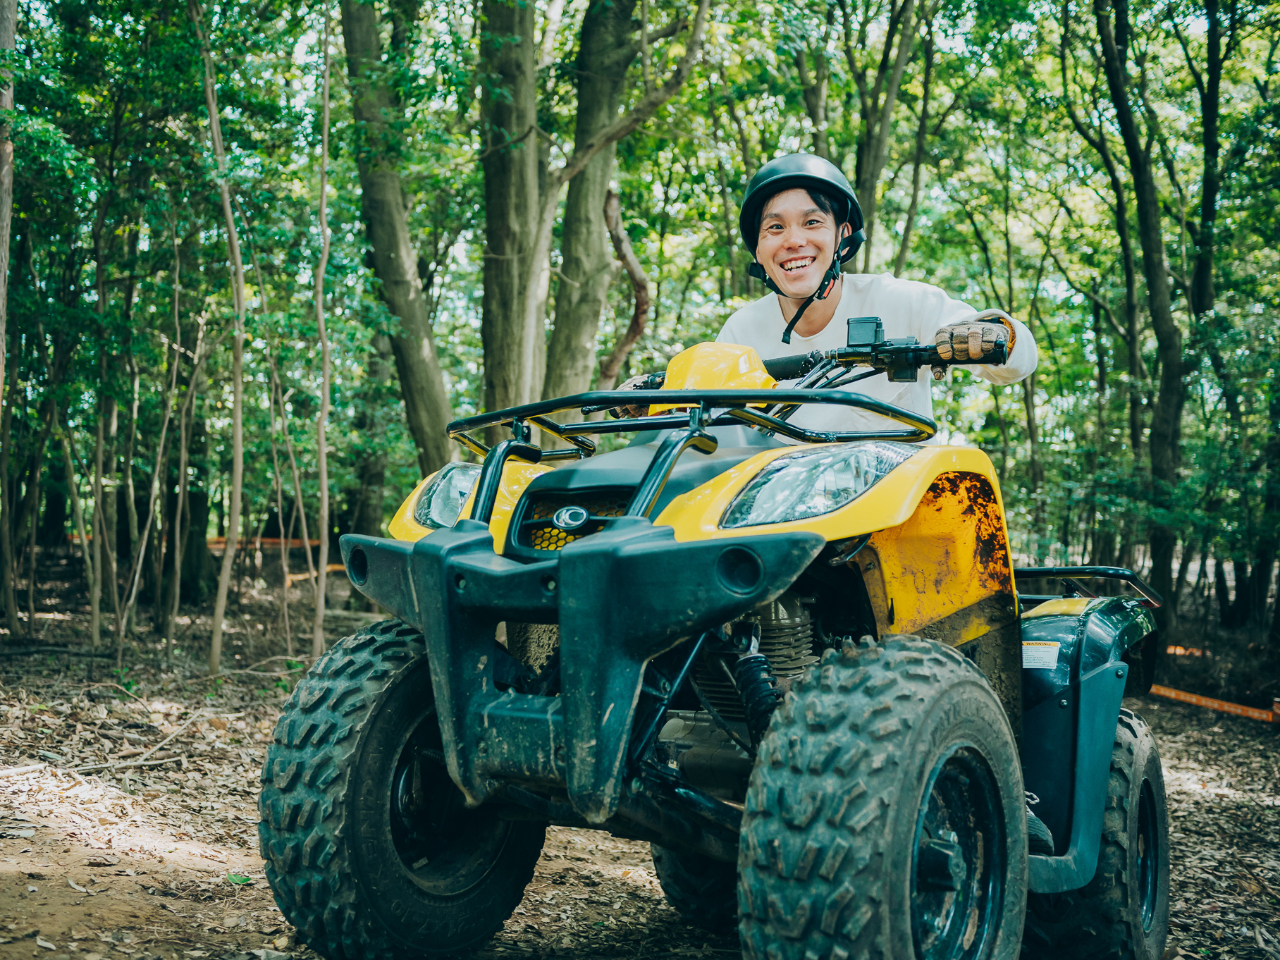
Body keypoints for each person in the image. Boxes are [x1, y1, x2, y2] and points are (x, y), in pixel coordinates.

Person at [616, 153, 1039, 435]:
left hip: (896, 509)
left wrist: (993, 333)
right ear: (759, 251)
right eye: (775, 227)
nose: (793, 240)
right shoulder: (742, 330)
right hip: (780, 515)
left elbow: (1017, 365)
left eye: (813, 222)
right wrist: (666, 401)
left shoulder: (904, 302)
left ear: (843, 236)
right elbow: (716, 430)